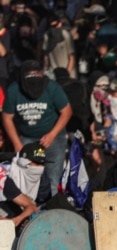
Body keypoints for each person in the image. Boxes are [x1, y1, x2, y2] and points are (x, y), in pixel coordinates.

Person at [2, 60, 72, 197]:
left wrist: (52, 134)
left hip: (54, 138)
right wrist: (17, 143)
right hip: (27, 139)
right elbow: (7, 117)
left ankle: (50, 208)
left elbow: (67, 111)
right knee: (26, 178)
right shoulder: (14, 90)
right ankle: (29, 209)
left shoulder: (52, 88)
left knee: (53, 177)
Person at [0, 142, 48, 226]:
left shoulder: (3, 179)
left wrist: (15, 220)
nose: (40, 168)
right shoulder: (8, 170)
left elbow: (32, 206)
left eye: (42, 164)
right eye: (36, 163)